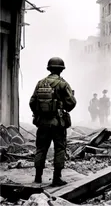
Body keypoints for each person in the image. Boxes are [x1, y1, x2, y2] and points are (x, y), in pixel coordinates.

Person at [29, 57, 76, 186]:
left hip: (43, 123)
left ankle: (38, 177)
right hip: (58, 123)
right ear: (61, 70)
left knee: (41, 149)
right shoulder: (63, 84)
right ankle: (56, 179)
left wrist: (40, 113)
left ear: (49, 68)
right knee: (60, 149)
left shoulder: (40, 83)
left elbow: (32, 102)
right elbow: (71, 103)